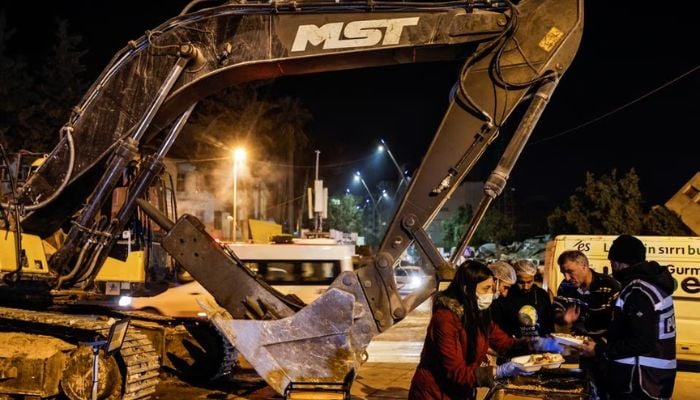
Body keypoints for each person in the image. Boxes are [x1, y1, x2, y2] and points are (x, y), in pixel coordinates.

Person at [408, 260, 562, 400]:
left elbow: (504, 343)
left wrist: (535, 344)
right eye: (486, 288)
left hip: (461, 392)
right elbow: (456, 372)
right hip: (434, 393)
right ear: (467, 289)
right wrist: (498, 371)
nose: (491, 293)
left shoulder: (478, 314)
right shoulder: (445, 319)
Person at [581, 235, 676, 399]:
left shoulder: (638, 291)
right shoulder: (651, 284)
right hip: (654, 377)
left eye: (612, 262)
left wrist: (599, 350)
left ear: (618, 262)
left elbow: (642, 342)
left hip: (641, 380)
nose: (612, 268)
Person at [553, 250, 620, 339]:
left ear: (584, 266)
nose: (567, 277)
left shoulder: (610, 286)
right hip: (575, 341)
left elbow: (619, 321)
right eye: (563, 273)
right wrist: (563, 318)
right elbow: (557, 310)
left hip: (603, 343)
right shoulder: (565, 285)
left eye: (570, 272)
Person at [492, 259, 554, 338]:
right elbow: (498, 327)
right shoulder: (505, 295)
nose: (526, 287)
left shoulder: (542, 295)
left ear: (534, 278)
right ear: (515, 279)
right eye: (521, 282)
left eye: (529, 282)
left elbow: (549, 324)